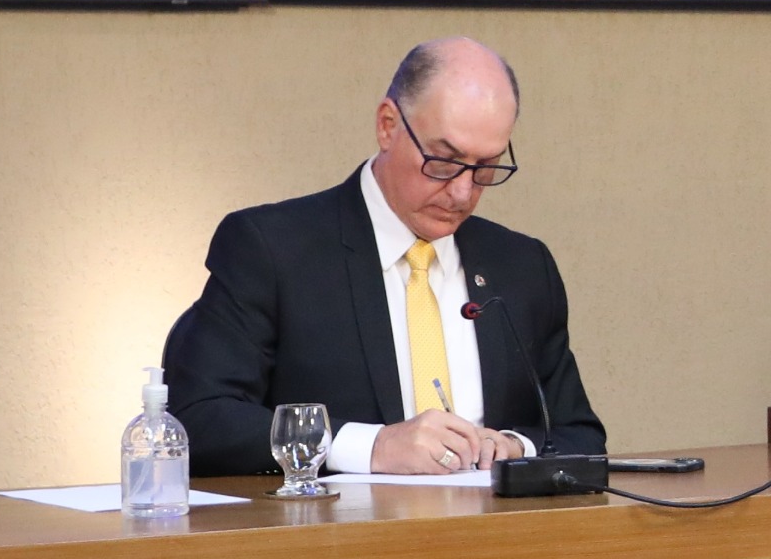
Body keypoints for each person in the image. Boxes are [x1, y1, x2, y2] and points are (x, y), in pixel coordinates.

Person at [166, 37, 604, 475]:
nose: (462, 192)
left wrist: (515, 447)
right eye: (444, 162)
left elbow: (579, 435)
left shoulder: (522, 265)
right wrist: (371, 446)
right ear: (388, 125)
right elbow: (200, 418)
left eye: (486, 168)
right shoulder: (273, 249)